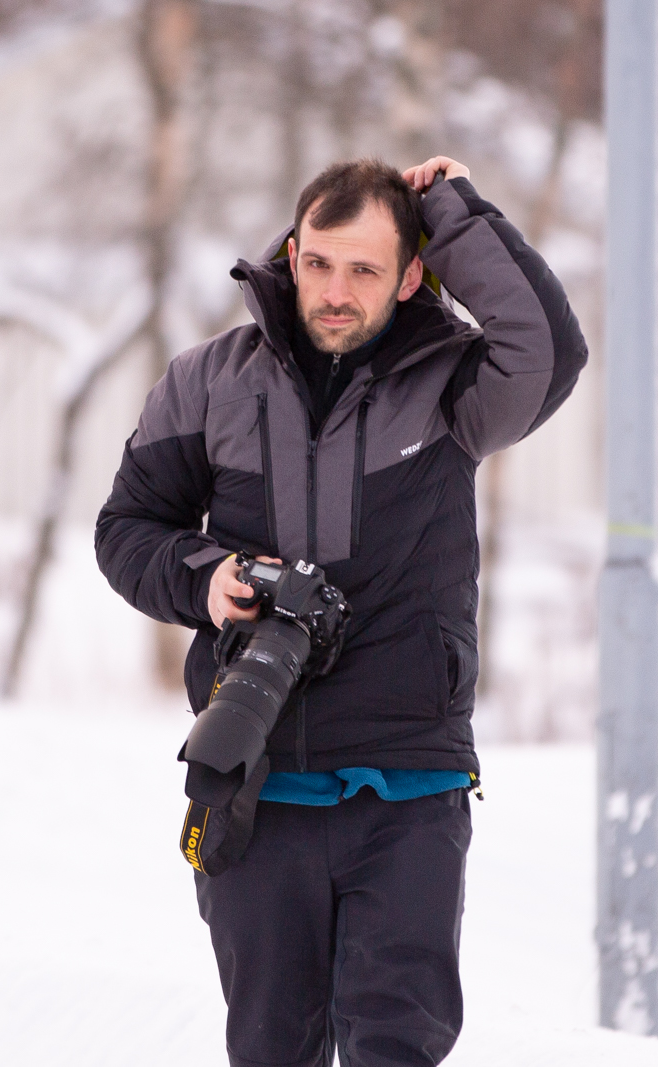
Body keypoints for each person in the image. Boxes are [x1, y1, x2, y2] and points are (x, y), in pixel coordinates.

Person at [95, 154, 588, 1066]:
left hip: (406, 789)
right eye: (317, 262)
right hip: (254, 781)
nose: (334, 290)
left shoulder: (453, 385)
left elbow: (551, 352)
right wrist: (207, 575)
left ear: (410, 275)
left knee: (395, 1045)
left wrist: (453, 211)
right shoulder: (208, 382)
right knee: (271, 1049)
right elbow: (125, 530)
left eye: (364, 269)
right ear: (290, 251)